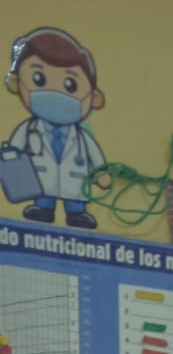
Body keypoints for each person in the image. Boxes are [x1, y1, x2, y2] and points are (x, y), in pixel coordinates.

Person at [4, 28, 109, 229]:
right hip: (40, 180)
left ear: (94, 97)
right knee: (44, 191)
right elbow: (14, 150)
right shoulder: (28, 130)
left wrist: (100, 174)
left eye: (70, 85)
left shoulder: (82, 138)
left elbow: (94, 156)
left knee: (75, 195)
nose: (55, 94)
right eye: (39, 79)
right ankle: (43, 208)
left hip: (75, 184)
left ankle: (76, 212)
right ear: (18, 84)